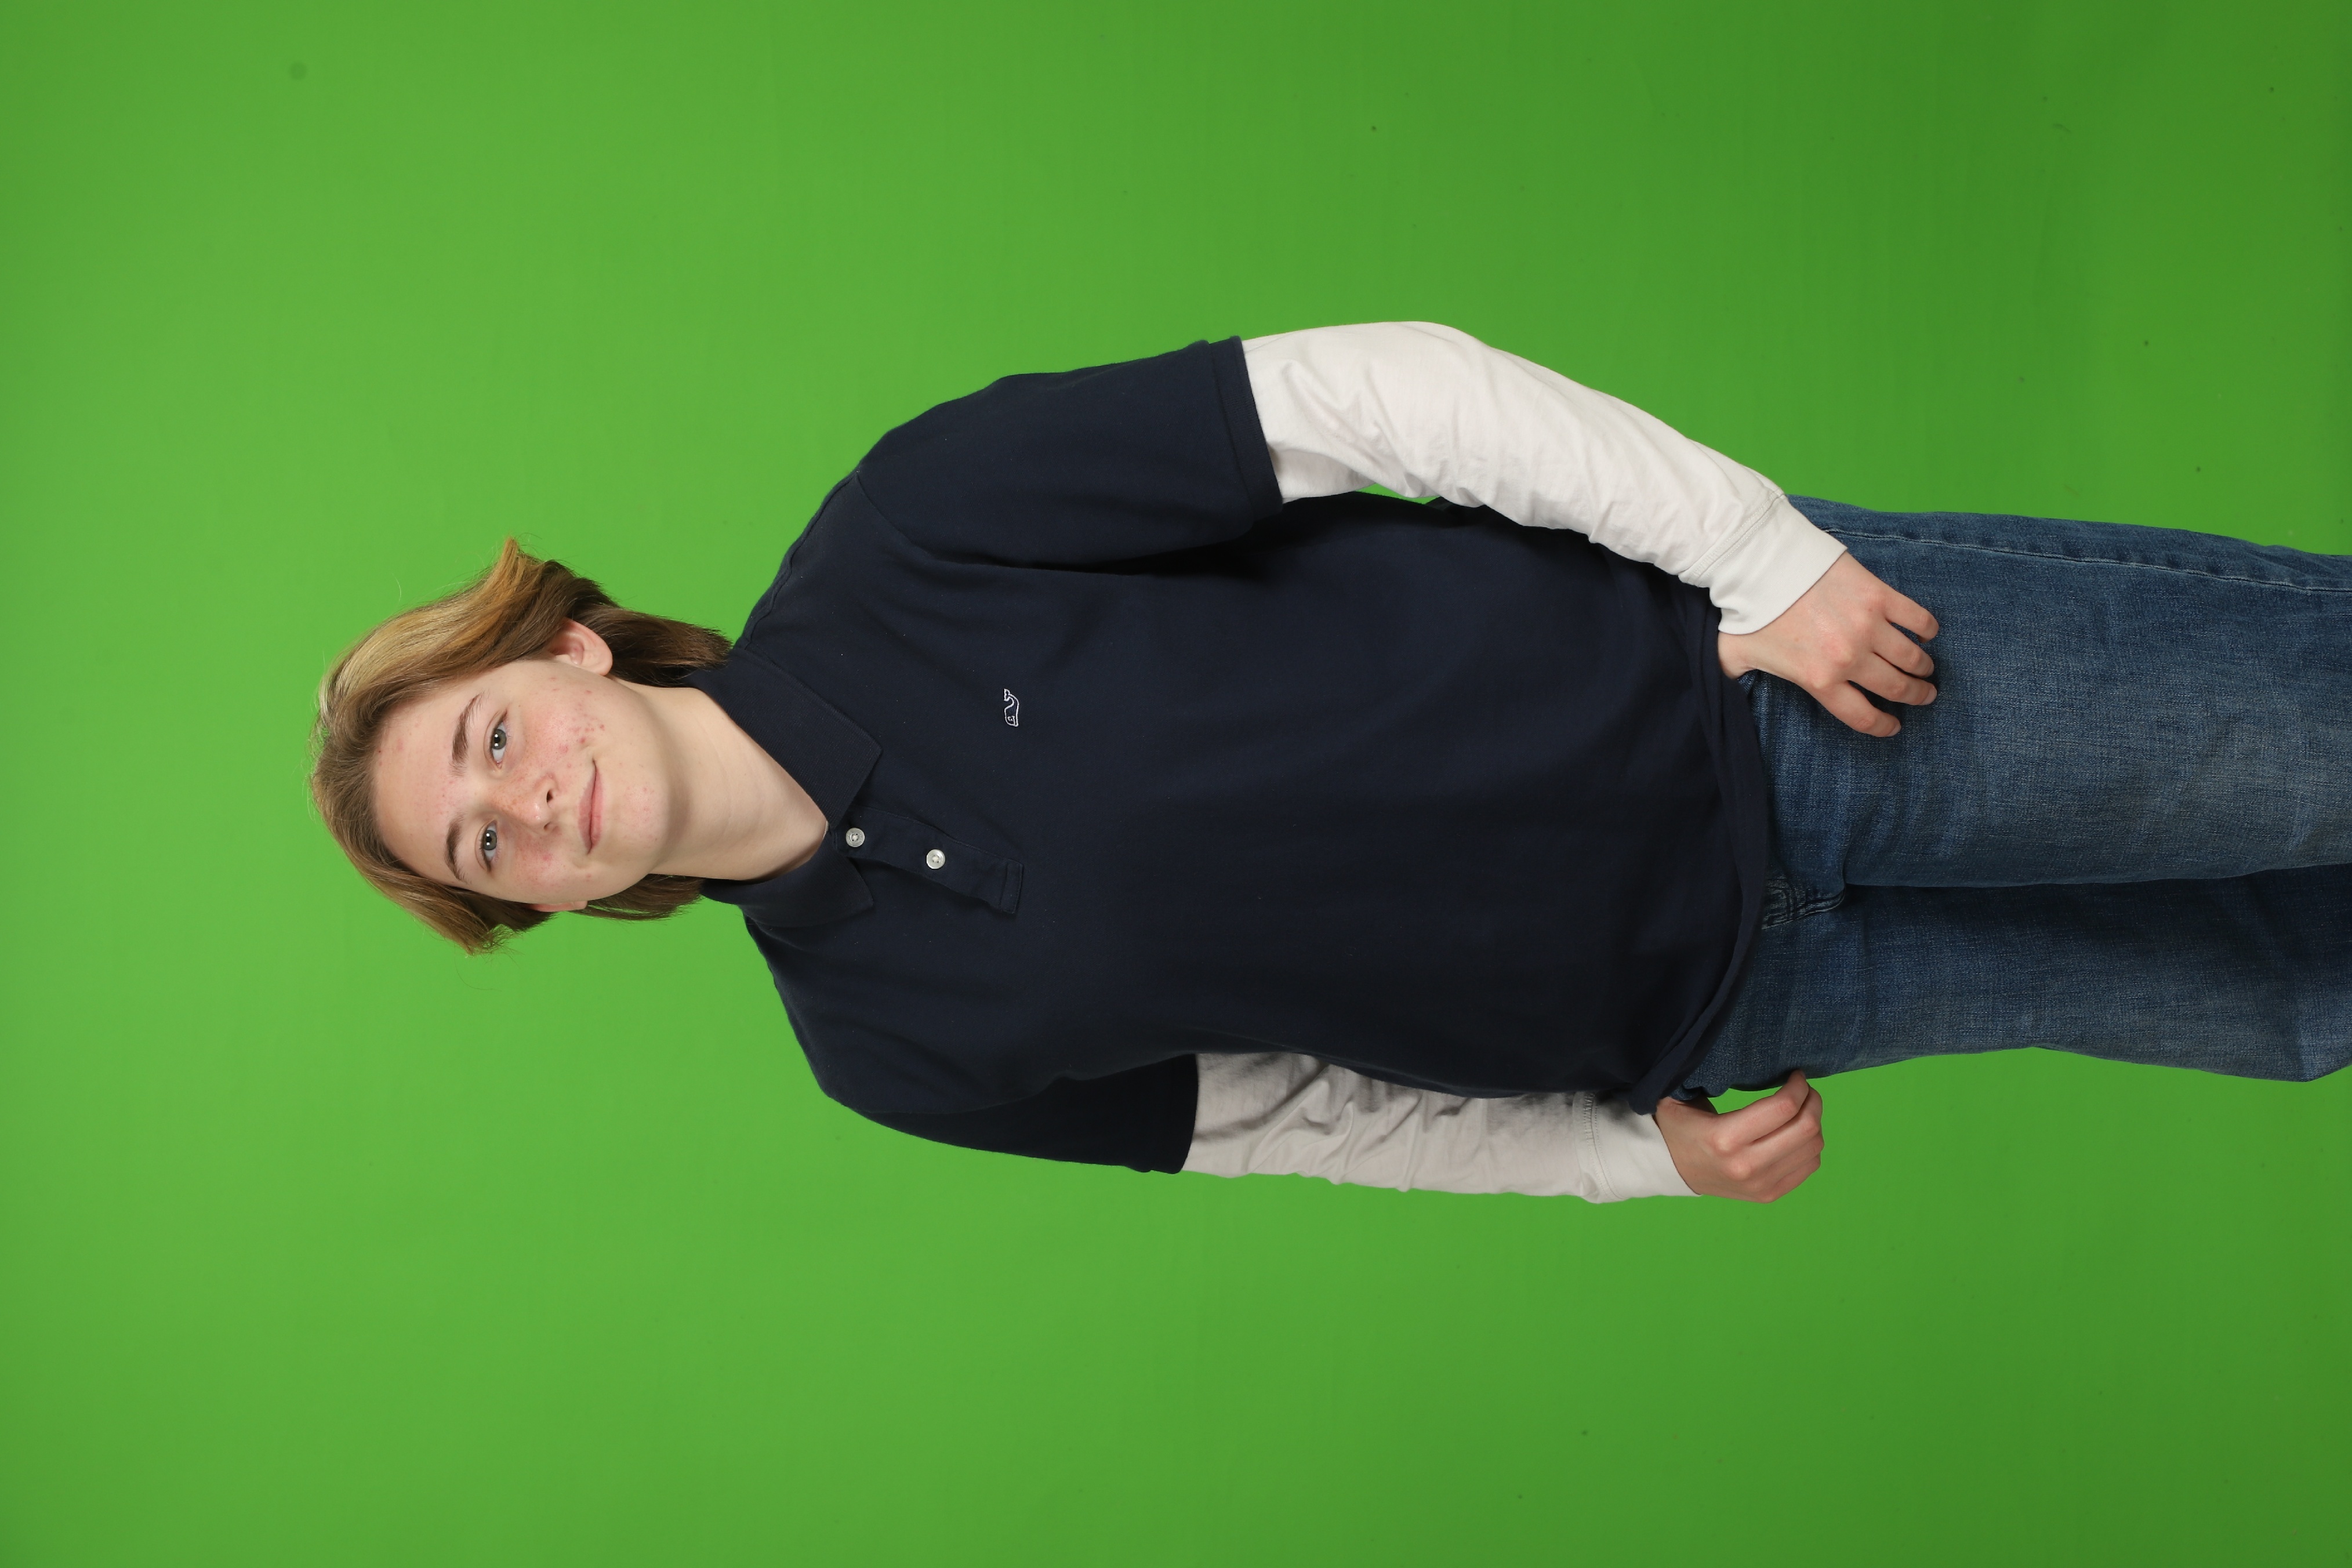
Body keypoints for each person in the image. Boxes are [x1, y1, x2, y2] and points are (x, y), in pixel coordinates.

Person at [312, 323, 2352, 1205]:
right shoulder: (884, 1052)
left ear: (567, 647)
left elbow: (1381, 397)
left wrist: (1761, 561)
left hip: (1782, 701)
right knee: (2290, 1001)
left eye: (494, 739)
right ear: (542, 904)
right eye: (487, 850)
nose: (532, 804)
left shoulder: (910, 531)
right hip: (1749, 1001)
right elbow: (1296, 1117)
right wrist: (1620, 1159)